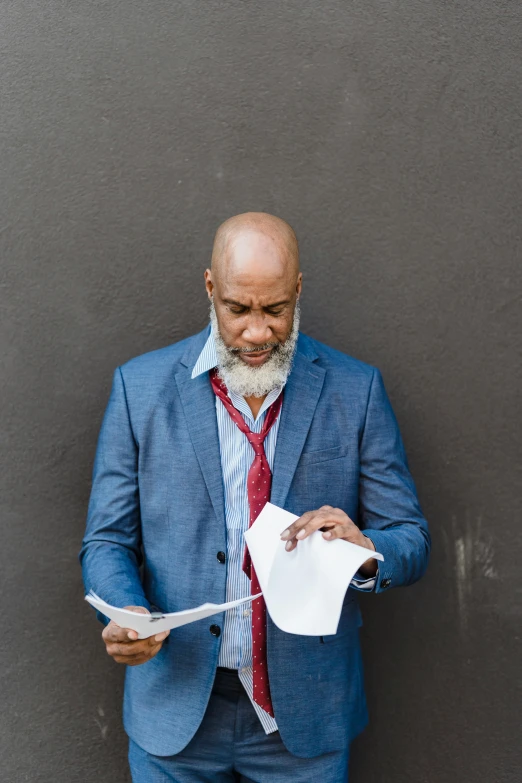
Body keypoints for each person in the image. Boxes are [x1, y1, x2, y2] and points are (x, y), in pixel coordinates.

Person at [80, 212, 430, 782]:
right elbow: (106, 541)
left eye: (276, 310)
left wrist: (364, 550)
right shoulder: (137, 389)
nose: (257, 333)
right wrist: (130, 612)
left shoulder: (356, 388)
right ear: (210, 289)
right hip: (175, 709)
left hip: (307, 715)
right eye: (237, 309)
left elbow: (411, 538)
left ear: (298, 289)